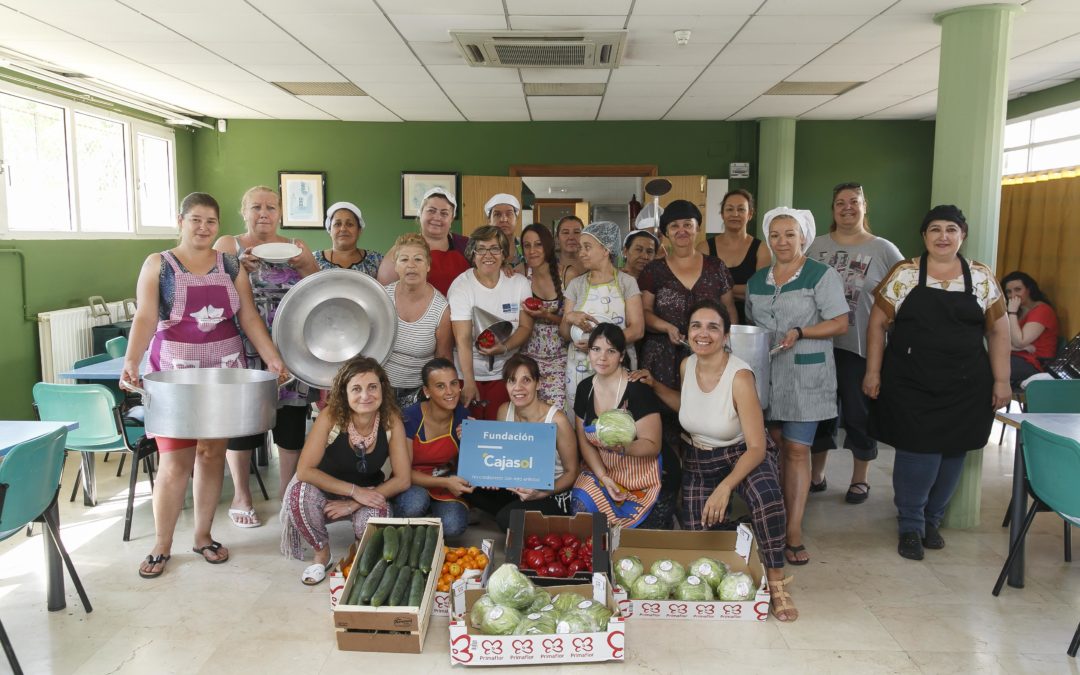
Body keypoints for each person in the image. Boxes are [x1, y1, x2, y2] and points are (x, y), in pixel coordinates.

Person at [121, 192, 288, 579]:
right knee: (174, 461)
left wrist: (272, 356)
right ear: (180, 221)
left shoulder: (229, 264)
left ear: (218, 226)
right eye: (196, 220)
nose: (203, 228)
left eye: (210, 222)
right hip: (175, 375)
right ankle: (162, 545)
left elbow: (247, 316)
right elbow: (145, 317)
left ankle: (203, 535)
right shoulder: (158, 265)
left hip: (224, 370)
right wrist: (132, 359)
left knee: (213, 455)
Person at [630, 300, 796, 621]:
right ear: (687, 332)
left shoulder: (740, 377)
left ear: (725, 335)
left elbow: (758, 447)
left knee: (767, 499)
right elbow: (690, 405)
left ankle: (776, 583)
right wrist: (655, 385)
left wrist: (726, 487)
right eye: (696, 326)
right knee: (699, 531)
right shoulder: (687, 365)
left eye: (712, 327)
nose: (703, 333)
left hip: (742, 454)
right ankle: (745, 535)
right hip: (700, 457)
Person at [864, 205, 1011, 561]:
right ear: (924, 236)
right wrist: (873, 371)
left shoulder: (980, 277)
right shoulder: (905, 273)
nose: (943, 236)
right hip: (910, 381)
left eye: (951, 229)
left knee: (953, 450)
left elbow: (998, 329)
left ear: (962, 236)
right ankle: (911, 524)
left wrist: (1002, 380)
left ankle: (933, 520)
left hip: (966, 383)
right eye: (935, 230)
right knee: (918, 450)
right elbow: (877, 324)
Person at [745, 207, 848, 566]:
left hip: (806, 375)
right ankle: (770, 519)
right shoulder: (759, 280)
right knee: (770, 447)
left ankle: (793, 531)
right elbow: (751, 325)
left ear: (803, 236)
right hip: (767, 374)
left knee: (796, 450)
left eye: (790, 234)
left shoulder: (821, 275)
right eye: (775, 235)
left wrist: (802, 331)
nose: (782, 241)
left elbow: (839, 323)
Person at [214, 186, 318, 529]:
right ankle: (241, 495)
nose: (263, 213)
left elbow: (320, 288)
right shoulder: (229, 245)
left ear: (280, 213)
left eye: (271, 207)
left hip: (291, 348)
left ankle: (288, 492)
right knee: (243, 424)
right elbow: (209, 283)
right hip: (242, 348)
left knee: (291, 421)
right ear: (243, 211)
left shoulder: (296, 247)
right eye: (256, 206)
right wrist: (233, 266)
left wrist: (305, 265)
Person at [806, 183, 904, 504]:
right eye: (840, 203)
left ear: (865, 206)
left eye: (854, 201)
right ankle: (816, 475)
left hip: (860, 349)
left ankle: (859, 479)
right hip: (817, 347)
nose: (847, 207)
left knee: (859, 414)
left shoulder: (883, 249)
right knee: (819, 415)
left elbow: (903, 295)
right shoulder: (814, 247)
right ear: (832, 209)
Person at [281, 356, 410, 584]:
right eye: (356, 389)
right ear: (345, 392)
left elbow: (402, 479)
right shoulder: (331, 416)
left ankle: (361, 556)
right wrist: (353, 490)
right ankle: (322, 554)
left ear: (383, 388)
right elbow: (305, 471)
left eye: (372, 387)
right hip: (323, 488)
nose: (365, 395)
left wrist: (356, 500)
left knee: (377, 517)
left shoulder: (391, 420)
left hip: (366, 490)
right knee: (299, 495)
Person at [570, 324, 665, 529]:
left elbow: (652, 444)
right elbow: (584, 442)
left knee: (635, 537)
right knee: (581, 502)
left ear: (622, 356)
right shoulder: (585, 388)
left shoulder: (637, 390)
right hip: (604, 469)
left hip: (640, 476)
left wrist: (624, 448)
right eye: (596, 349)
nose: (602, 357)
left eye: (610, 351)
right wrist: (604, 477)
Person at [639, 199, 737, 391]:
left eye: (687, 224)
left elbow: (729, 309)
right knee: (662, 414)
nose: (681, 230)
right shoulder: (654, 270)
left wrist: (727, 343)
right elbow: (644, 311)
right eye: (674, 226)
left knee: (707, 410)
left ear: (697, 228)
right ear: (666, 232)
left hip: (709, 354)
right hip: (661, 358)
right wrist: (666, 327)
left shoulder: (716, 267)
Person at [447, 226, 535, 420]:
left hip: (506, 375)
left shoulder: (519, 283)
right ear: (472, 254)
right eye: (481, 249)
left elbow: (525, 327)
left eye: (494, 249)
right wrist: (469, 382)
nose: (488, 255)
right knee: (469, 434)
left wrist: (503, 348)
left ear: (504, 254)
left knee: (501, 431)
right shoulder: (462, 286)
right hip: (469, 373)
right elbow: (462, 339)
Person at [560, 221, 645, 413]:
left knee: (616, 421)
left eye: (587, 247)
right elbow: (565, 334)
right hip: (579, 366)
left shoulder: (626, 283)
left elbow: (637, 329)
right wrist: (570, 317)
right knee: (582, 418)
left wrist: (599, 345)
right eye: (581, 247)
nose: (581, 252)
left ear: (605, 249)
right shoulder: (576, 285)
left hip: (615, 364)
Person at [494, 354, 580, 530]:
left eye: (526, 380)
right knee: (470, 484)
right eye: (512, 381)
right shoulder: (504, 411)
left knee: (505, 519)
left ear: (538, 383)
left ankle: (540, 515)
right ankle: (519, 510)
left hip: (551, 491)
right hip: (518, 485)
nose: (518, 387)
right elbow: (501, 455)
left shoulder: (557, 420)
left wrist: (541, 493)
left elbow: (572, 472)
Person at [392, 358, 472, 538]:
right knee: (414, 504)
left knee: (453, 525)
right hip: (411, 482)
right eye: (440, 386)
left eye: (453, 383)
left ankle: (429, 516)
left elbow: (468, 467)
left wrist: (472, 442)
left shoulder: (463, 416)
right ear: (427, 391)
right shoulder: (409, 418)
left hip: (444, 483)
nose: (450, 392)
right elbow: (404, 474)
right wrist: (446, 482)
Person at [384, 233, 453, 408]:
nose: (411, 266)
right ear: (396, 266)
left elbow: (443, 357)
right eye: (404, 259)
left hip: (419, 393)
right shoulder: (382, 297)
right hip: (379, 388)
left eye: (418, 259)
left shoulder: (441, 309)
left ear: (428, 265)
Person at [696, 189, 770, 324]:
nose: (735, 214)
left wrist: (718, 289)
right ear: (722, 214)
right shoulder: (704, 248)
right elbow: (699, 289)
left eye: (741, 209)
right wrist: (742, 290)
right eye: (729, 209)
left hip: (752, 322)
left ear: (750, 214)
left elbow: (760, 291)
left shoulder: (761, 249)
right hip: (712, 320)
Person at [378, 187, 469, 295]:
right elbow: (384, 291)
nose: (437, 217)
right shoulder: (403, 248)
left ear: (451, 219)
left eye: (444, 213)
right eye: (431, 211)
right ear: (420, 213)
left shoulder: (466, 245)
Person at [520, 223, 568, 409]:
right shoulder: (520, 273)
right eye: (527, 245)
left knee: (557, 413)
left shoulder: (566, 274)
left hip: (560, 357)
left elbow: (572, 321)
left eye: (538, 244)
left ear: (547, 246)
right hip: (528, 357)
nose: (532, 250)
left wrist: (546, 315)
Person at [1001, 271, 1060, 386]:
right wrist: (1017, 348)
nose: (1013, 295)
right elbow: (1002, 341)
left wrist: (1012, 312)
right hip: (1015, 356)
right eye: (1008, 292)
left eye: (1018, 289)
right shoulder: (1020, 311)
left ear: (1029, 290)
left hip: (1035, 363)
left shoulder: (1042, 310)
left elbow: (1019, 341)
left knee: (986, 369)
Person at [314, 201, 383, 277]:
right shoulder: (314, 260)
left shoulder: (376, 260)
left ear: (359, 230)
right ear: (330, 230)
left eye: (349, 224)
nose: (343, 229)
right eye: (337, 224)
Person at [485, 193, 525, 271]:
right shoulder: (481, 249)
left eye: (509, 214)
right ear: (489, 220)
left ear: (516, 219)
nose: (504, 219)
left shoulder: (526, 245)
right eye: (497, 214)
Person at [556, 215, 586, 287]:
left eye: (576, 232)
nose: (571, 237)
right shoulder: (549, 269)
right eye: (565, 232)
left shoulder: (594, 267)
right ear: (557, 238)